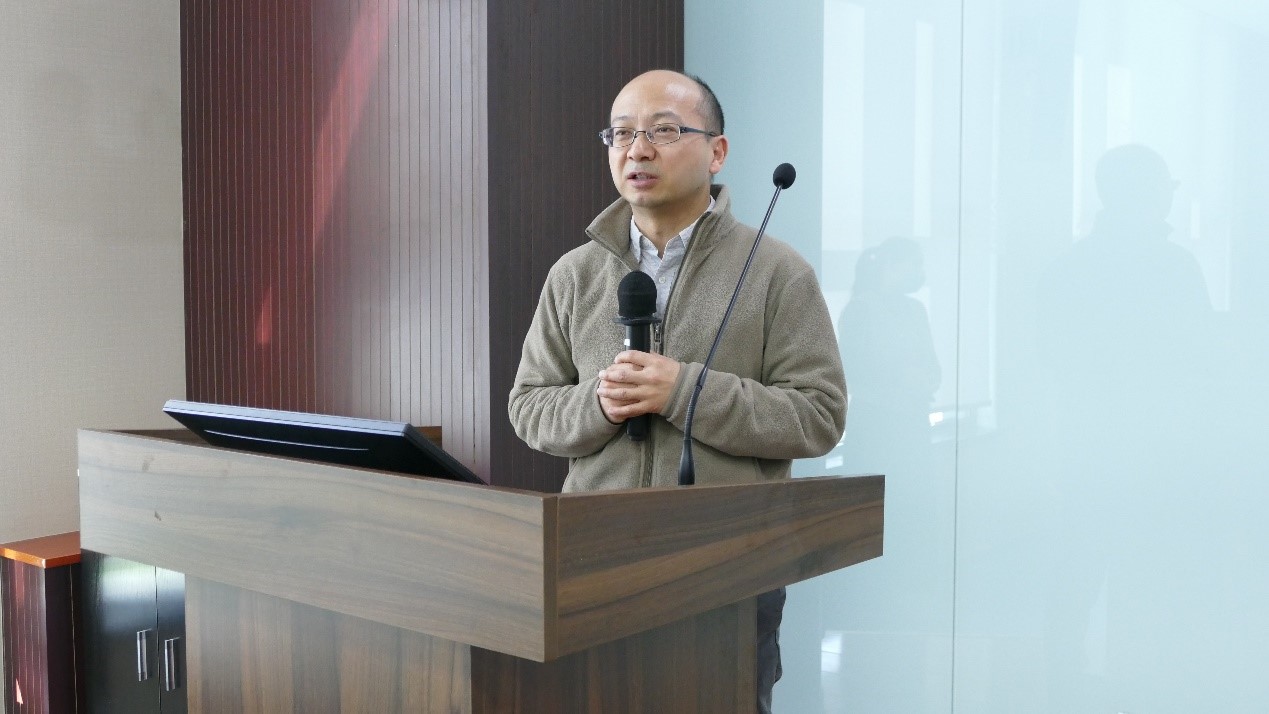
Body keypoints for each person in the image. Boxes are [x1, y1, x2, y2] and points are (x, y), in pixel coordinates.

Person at [508, 69, 847, 714]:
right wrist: (599, 403)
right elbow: (529, 406)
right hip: (594, 559)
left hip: (729, 565)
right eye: (622, 134)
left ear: (717, 152)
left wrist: (685, 391)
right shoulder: (574, 274)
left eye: (663, 131)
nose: (637, 149)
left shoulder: (776, 271)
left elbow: (818, 415)